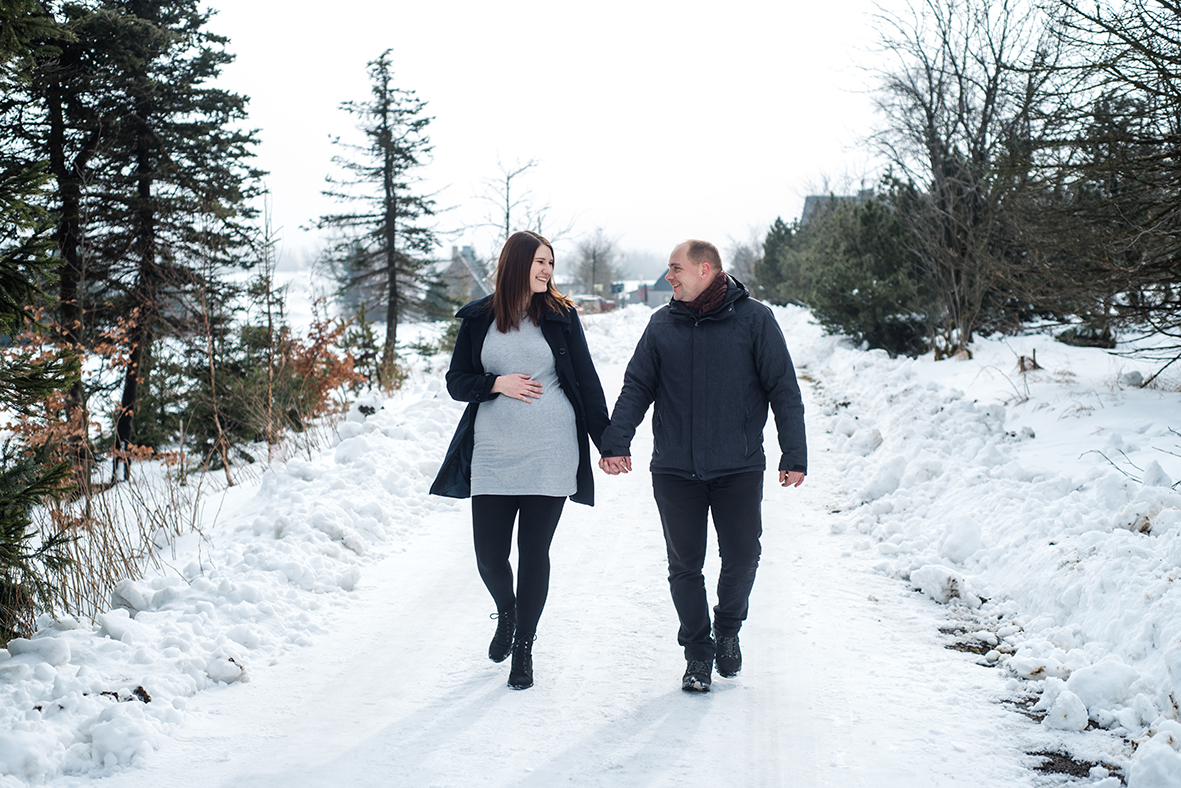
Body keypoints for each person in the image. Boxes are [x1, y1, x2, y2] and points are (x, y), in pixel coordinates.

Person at [598, 239, 807, 693]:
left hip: (739, 467)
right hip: (674, 469)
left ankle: (727, 627)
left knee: (742, 556)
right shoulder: (661, 326)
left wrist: (794, 452)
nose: (668, 277)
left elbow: (783, 390)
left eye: (675, 269)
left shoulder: (755, 320)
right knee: (684, 566)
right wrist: (617, 441)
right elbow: (636, 387)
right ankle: (697, 653)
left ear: (705, 269)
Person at [431, 230, 610, 690]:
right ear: (516, 264)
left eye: (551, 263)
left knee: (534, 553)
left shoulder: (561, 316)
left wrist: (608, 442)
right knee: (489, 555)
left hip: (552, 449)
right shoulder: (478, 319)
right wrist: (495, 383)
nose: (547, 270)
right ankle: (507, 613)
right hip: (492, 453)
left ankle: (524, 649)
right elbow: (456, 382)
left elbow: (586, 381)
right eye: (539, 262)